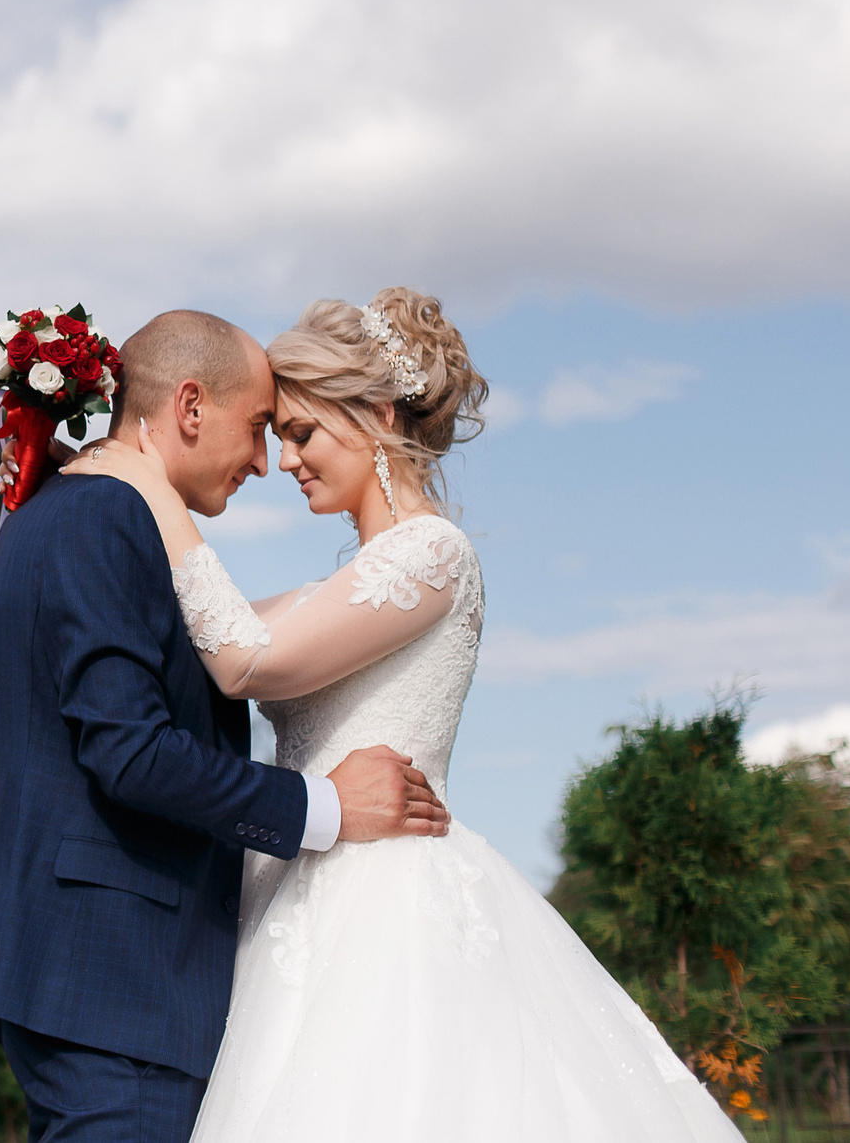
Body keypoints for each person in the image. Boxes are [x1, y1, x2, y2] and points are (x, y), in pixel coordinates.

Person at [75, 290, 738, 1141]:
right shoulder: (333, 592)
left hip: (383, 900)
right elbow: (198, 628)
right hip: (285, 893)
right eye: (278, 434)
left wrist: (144, 485)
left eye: (302, 432)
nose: (286, 459)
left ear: (379, 415)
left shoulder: (433, 554)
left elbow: (245, 661)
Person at [0, 308, 451, 1143]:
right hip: (120, 984)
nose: (265, 461)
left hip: (100, 981)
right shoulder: (103, 515)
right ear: (191, 407)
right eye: (261, 427)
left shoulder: (62, 511)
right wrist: (329, 806)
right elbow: (131, 751)